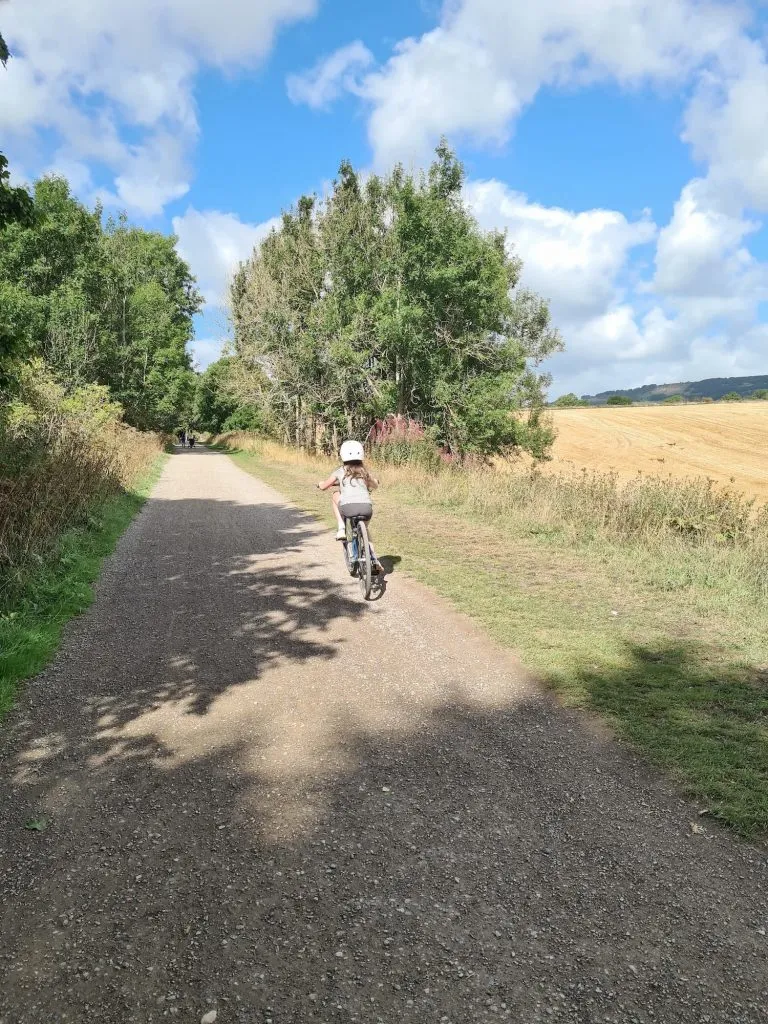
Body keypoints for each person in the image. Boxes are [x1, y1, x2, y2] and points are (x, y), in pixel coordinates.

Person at [317, 440, 382, 571]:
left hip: (348, 508)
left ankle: (341, 528)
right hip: (366, 508)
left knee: (335, 495)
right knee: (366, 532)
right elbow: (374, 485)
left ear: (343, 455)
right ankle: (373, 558)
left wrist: (320, 484)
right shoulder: (364, 472)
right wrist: (373, 482)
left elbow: (324, 486)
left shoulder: (340, 471)